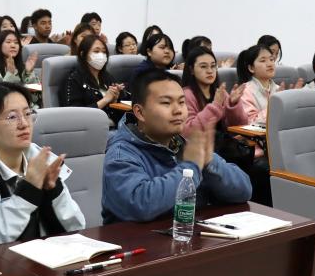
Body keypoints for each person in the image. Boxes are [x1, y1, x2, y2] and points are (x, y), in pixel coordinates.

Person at [0, 82, 85, 254]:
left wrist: (53, 190)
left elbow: (77, 228)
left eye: (27, 114)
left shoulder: (43, 161)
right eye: (12, 117)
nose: (24, 124)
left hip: (44, 261)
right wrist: (28, 192)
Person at [102, 70, 252, 224]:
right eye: (166, 103)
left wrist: (210, 163)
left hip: (189, 234)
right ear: (140, 112)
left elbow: (244, 191)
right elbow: (139, 204)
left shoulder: (182, 144)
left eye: (181, 102)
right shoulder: (121, 153)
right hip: (136, 238)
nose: (178, 110)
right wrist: (191, 166)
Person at [183, 47, 267, 205]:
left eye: (213, 66)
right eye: (203, 66)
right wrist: (215, 105)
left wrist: (233, 104)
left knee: (261, 170)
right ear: (191, 70)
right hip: (203, 154)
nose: (210, 70)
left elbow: (239, 125)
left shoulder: (219, 91)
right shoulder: (187, 95)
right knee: (259, 170)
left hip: (225, 150)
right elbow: (189, 131)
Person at [59, 34, 130, 126]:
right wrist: (105, 100)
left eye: (104, 52)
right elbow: (75, 114)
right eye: (96, 51)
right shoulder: (73, 79)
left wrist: (115, 100)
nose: (101, 55)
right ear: (83, 54)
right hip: (89, 129)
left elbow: (116, 112)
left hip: (112, 126)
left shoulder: (106, 76)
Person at [238, 44, 283, 125]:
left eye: (271, 59)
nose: (270, 64)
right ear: (251, 68)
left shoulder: (278, 89)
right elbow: (252, 122)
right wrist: (273, 106)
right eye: (263, 61)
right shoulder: (245, 91)